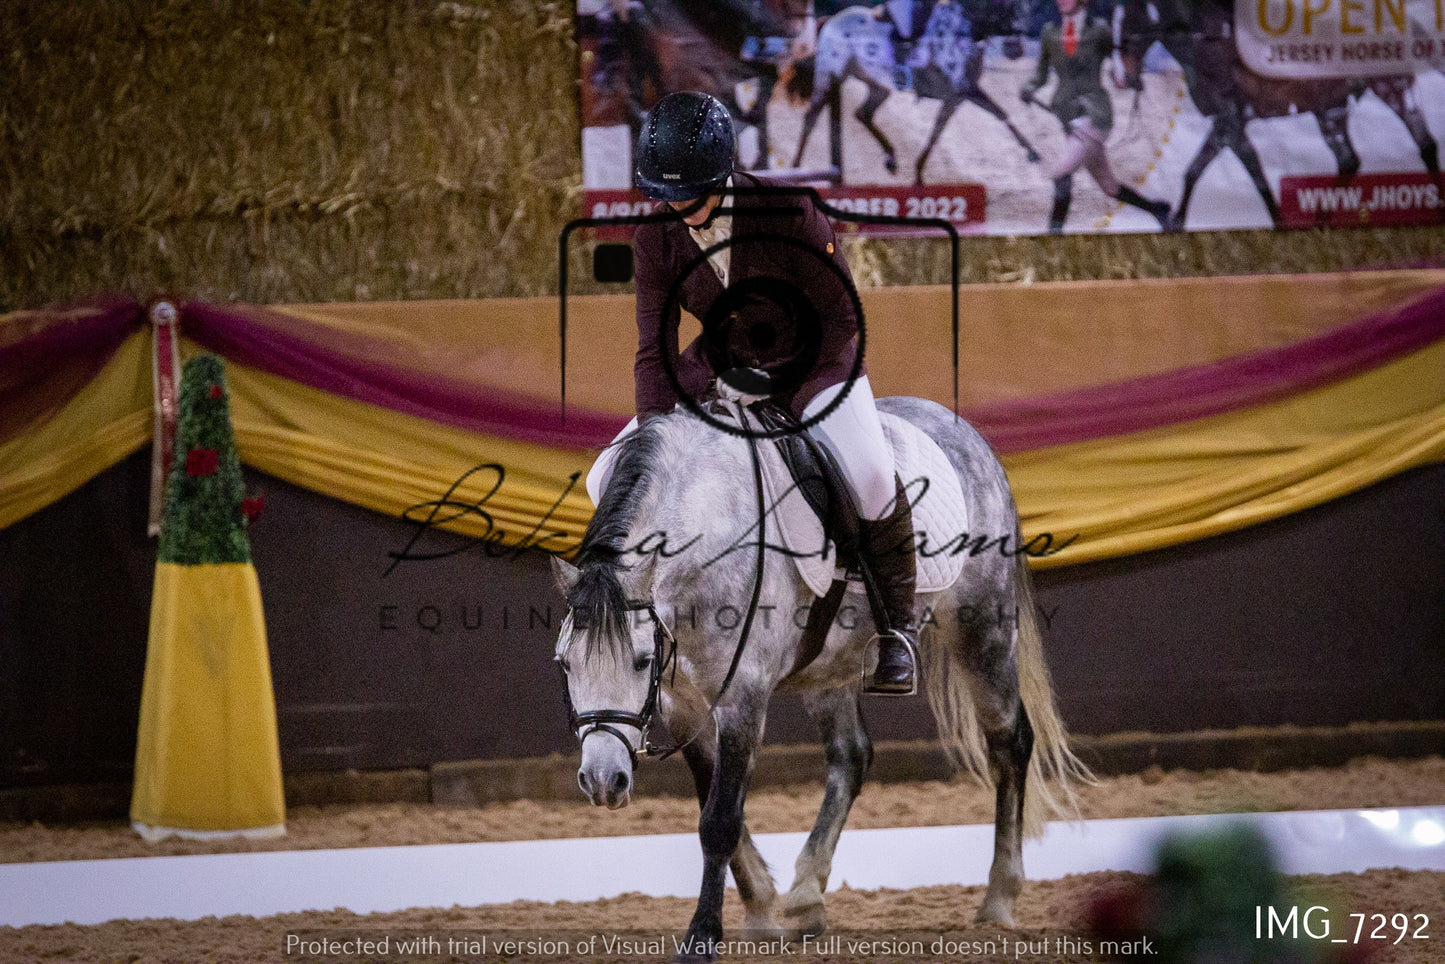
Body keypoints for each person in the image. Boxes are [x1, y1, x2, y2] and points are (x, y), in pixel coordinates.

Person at [585, 90, 917, 695]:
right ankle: (645, 621)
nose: (677, 206)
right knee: (607, 476)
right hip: (718, 365)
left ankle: (898, 629)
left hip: (815, 361)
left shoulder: (790, 210)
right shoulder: (655, 237)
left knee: (869, 471)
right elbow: (652, 349)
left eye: (689, 194)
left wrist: (768, 377)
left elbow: (840, 317)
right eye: (665, 194)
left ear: (724, 174)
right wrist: (656, 435)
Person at [1021, 0, 1172, 233]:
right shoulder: (1049, 32)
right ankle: (1156, 209)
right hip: (1068, 116)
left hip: (1095, 115)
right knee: (1109, 186)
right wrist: (1029, 87)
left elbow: (1118, 62)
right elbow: (1041, 72)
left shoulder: (1100, 29)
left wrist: (1130, 76)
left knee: (1061, 175)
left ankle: (1052, 238)